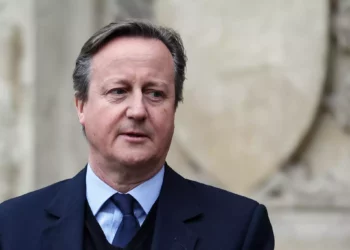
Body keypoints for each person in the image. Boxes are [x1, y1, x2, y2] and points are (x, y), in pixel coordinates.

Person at [0, 19, 274, 250]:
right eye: (118, 91)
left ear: (174, 107)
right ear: (81, 106)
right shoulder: (12, 226)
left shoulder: (238, 229)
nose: (138, 111)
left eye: (155, 94)